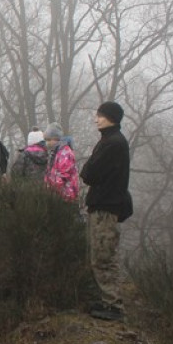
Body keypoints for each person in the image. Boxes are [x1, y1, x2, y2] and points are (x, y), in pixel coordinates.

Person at [80, 102, 132, 321]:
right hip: (102, 205)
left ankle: (113, 306)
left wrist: (89, 168)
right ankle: (106, 300)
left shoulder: (113, 144)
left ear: (111, 117)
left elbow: (89, 173)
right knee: (99, 255)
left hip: (106, 206)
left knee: (104, 256)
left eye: (100, 115)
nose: (96, 119)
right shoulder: (110, 141)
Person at [43, 123, 80, 203]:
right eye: (46, 140)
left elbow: (63, 175)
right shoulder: (55, 152)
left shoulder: (65, 152)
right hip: (58, 193)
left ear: (56, 139)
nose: (47, 143)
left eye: (49, 140)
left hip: (66, 194)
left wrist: (52, 186)